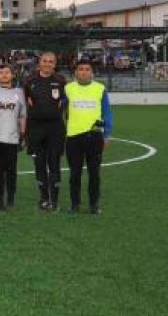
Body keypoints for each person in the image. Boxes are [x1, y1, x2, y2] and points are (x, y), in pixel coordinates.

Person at [64, 60, 113, 214]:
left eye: (87, 69)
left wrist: (107, 135)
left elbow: (107, 113)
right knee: (74, 173)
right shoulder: (68, 88)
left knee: (94, 173)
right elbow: (58, 107)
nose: (84, 72)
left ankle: (94, 204)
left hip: (94, 136)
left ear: (92, 72)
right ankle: (75, 204)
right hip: (73, 136)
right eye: (81, 69)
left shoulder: (100, 89)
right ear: (75, 72)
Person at [24, 51, 67, 211]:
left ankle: (54, 200)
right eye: (44, 61)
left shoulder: (61, 80)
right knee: (39, 164)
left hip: (55, 128)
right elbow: (24, 100)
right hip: (35, 128)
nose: (47, 64)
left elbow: (65, 102)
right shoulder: (29, 80)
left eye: (51, 61)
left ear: (55, 64)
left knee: (54, 164)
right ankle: (43, 198)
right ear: (39, 63)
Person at [0, 64, 26, 211]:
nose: (4, 75)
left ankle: (10, 200)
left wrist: (23, 134)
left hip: (12, 138)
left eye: (7, 72)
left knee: (11, 171)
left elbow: (23, 116)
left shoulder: (19, 93)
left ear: (12, 75)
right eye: (1, 72)